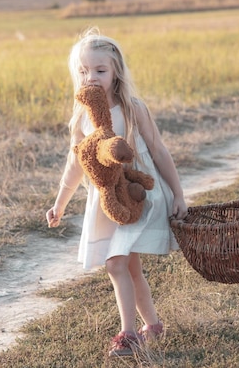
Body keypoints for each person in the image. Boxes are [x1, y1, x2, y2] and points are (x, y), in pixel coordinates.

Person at [46, 27, 188, 357]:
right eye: (83, 71)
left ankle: (128, 334)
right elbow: (76, 164)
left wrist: (178, 194)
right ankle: (152, 326)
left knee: (115, 264)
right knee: (129, 266)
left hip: (138, 195)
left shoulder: (131, 108)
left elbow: (159, 151)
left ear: (115, 72)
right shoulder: (82, 117)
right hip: (108, 200)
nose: (91, 77)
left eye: (100, 70)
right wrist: (59, 204)